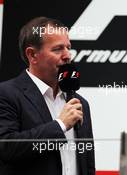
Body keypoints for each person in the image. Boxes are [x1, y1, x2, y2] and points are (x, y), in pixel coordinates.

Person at [0, 17, 95, 175]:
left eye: (68, 47)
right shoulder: (6, 94)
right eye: (58, 49)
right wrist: (60, 125)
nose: (67, 55)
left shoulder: (79, 103)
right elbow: (6, 148)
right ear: (32, 55)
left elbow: (88, 164)